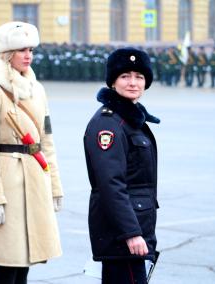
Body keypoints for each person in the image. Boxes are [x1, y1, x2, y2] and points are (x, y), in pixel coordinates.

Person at [0, 21, 63, 284]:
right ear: (7, 55)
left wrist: (54, 186)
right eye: (21, 50)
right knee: (8, 265)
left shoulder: (36, 89)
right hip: (8, 184)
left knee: (25, 263)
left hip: (34, 180)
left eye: (30, 49)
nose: (28, 55)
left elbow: (47, 142)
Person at [84, 47, 160, 284]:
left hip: (135, 226)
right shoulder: (108, 124)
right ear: (113, 81)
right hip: (122, 235)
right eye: (125, 76)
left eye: (139, 76)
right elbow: (110, 184)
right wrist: (131, 233)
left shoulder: (130, 119)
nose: (133, 82)